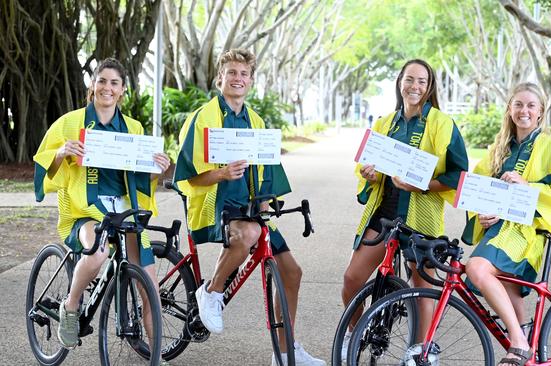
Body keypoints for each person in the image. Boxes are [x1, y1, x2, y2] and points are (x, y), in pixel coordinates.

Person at [173, 48, 324, 366]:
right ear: (220, 78)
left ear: (251, 81)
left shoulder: (256, 121)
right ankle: (211, 291)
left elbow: (268, 173)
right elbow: (188, 176)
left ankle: (284, 352)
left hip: (253, 208)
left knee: (292, 272)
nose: (237, 78)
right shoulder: (204, 117)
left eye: (243, 74)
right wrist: (223, 173)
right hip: (216, 204)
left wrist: (270, 205)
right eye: (231, 73)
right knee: (249, 232)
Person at [33, 58, 171, 349]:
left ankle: (155, 352)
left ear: (122, 90)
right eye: (102, 81)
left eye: (114, 83)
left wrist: (158, 167)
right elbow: (43, 164)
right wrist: (61, 152)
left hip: (124, 208)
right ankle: (70, 307)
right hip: (83, 209)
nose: (107, 88)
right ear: (93, 85)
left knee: (149, 286)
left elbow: (140, 175)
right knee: (96, 253)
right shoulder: (71, 122)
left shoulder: (133, 127)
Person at [341, 59, 468, 356]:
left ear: (429, 87)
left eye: (422, 81)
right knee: (351, 279)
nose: (415, 86)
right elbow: (367, 165)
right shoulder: (385, 122)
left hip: (421, 217)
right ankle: (355, 333)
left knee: (421, 286)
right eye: (410, 79)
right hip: (384, 213)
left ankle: (420, 351)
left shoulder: (441, 123)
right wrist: (367, 173)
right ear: (400, 82)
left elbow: (458, 175)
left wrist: (421, 185)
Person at [462, 82, 551, 366]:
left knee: (476, 267)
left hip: (527, 233)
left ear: (540, 113)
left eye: (531, 105)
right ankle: (527, 351)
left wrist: (527, 186)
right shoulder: (497, 149)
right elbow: (476, 189)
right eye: (518, 105)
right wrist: (481, 213)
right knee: (507, 288)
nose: (524, 111)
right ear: (510, 110)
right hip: (497, 231)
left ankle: (519, 342)